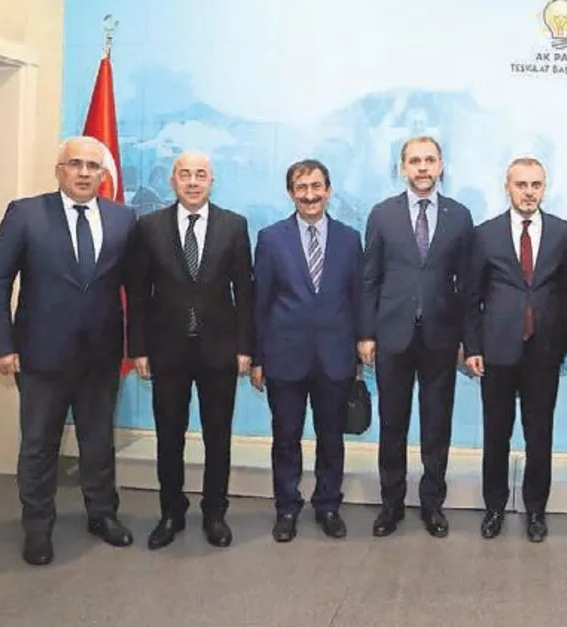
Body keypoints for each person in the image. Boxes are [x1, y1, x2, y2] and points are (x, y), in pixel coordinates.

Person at [0, 136, 137, 566]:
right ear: (59, 170)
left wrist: (137, 345)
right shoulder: (25, 214)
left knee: (98, 441)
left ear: (103, 175)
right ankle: (37, 527)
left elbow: (137, 287)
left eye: (93, 166)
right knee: (38, 445)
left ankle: (102, 515)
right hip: (40, 355)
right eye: (75, 164)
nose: (84, 172)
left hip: (101, 356)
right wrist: (0, 344)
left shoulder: (123, 218)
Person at [125, 151, 254, 550]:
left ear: (212, 180)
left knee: (218, 436)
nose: (193, 182)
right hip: (167, 351)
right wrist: (138, 349)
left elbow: (245, 292)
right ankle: (171, 512)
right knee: (169, 436)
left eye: (201, 175)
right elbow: (137, 293)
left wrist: (245, 346)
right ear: (173, 181)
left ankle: (215, 512)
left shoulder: (234, 225)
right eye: (185, 174)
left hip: (220, 350)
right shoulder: (149, 226)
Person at [359, 136, 474, 538]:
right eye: (415, 161)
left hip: (441, 337)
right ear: (402, 167)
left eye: (429, 160)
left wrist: (467, 339)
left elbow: (467, 285)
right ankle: (391, 504)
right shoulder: (382, 214)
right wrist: (366, 333)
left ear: (441, 165)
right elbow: (370, 278)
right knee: (392, 424)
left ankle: (432, 504)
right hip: (392, 335)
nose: (423, 168)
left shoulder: (459, 216)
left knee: (436, 426)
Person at [464, 157, 567, 542]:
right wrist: (473, 346)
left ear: (544, 188)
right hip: (496, 352)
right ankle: (494, 507)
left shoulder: (562, 232)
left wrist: (560, 344)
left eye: (535, 185)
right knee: (496, 434)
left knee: (539, 436)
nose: (528, 192)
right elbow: (471, 296)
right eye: (521, 185)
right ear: (507, 188)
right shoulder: (485, 234)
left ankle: (536, 511)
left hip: (543, 353)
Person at [251, 159, 364, 541]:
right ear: (290, 193)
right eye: (302, 188)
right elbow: (260, 302)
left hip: (335, 357)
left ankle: (328, 505)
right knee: (286, 438)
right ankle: (286, 508)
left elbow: (358, 298)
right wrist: (258, 358)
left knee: (331, 438)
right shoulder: (271, 238)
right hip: (284, 358)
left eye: (317, 186)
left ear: (328, 190)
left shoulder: (350, 239)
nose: (310, 195)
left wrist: (359, 351)